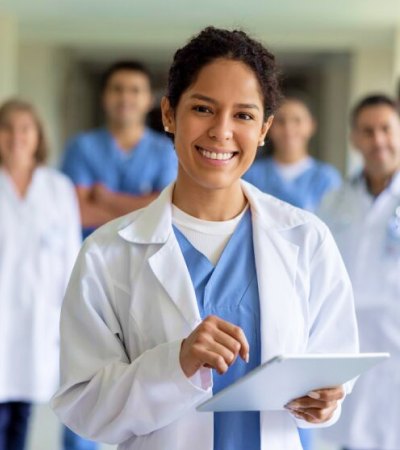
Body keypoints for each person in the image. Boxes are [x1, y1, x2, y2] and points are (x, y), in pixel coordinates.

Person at [51, 27, 359, 450]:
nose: (222, 131)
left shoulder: (307, 240)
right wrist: (175, 364)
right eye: (203, 108)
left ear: (265, 128)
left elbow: (333, 366)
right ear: (168, 114)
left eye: (244, 115)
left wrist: (327, 403)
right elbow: (84, 406)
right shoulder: (108, 252)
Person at [319, 94, 400, 450]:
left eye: (386, 129)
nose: (378, 140)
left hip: (395, 343)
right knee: (350, 438)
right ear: (354, 139)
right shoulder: (334, 202)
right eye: (367, 131)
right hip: (349, 346)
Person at [0, 99, 81, 450]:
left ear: (38, 136)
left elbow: (71, 258)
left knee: (22, 413)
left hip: (40, 319)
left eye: (25, 128)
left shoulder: (58, 188)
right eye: (7, 128)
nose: (16, 137)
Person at [62, 60, 178, 239]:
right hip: (92, 253)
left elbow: (166, 208)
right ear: (103, 97)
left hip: (146, 255)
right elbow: (76, 210)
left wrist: (106, 199)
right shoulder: (81, 147)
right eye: (117, 89)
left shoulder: (165, 151)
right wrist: (138, 215)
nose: (125, 97)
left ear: (150, 100)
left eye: (135, 90)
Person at [243, 94, 341, 212]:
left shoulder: (326, 178)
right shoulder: (250, 174)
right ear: (268, 126)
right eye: (281, 121)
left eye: (297, 120)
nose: (288, 128)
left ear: (311, 126)